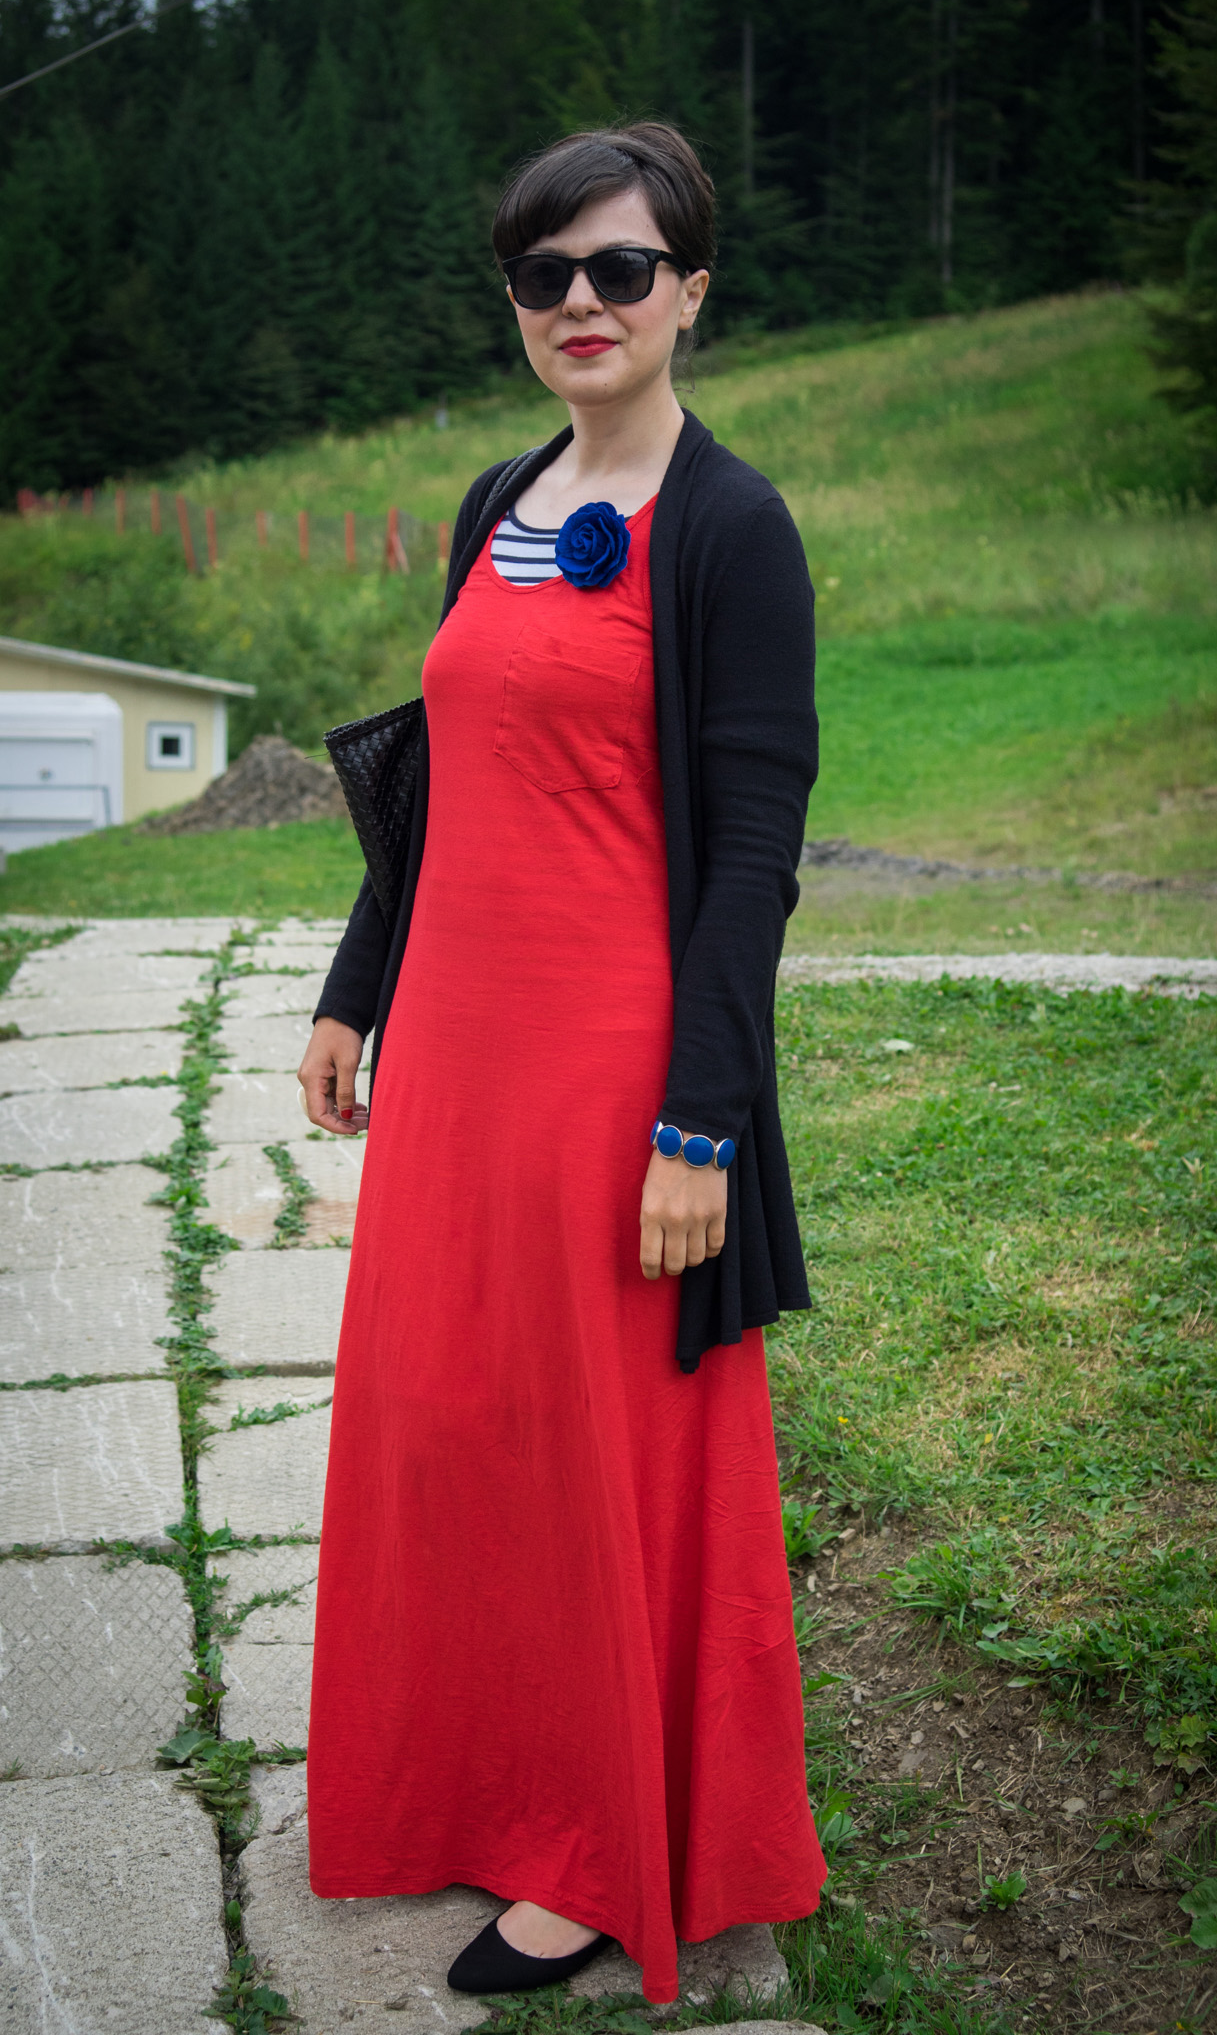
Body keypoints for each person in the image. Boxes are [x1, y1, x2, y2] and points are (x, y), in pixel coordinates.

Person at [299, 120, 826, 2008]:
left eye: (620, 268)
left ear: (692, 285)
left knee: (600, 1463)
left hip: (618, 1079)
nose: (582, 303)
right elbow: (442, 793)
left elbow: (755, 855)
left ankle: (608, 1856)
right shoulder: (498, 494)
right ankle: (478, 1781)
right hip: (458, 1063)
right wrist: (360, 984)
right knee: (459, 1436)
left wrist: (701, 1121)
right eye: (546, 274)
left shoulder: (733, 526)